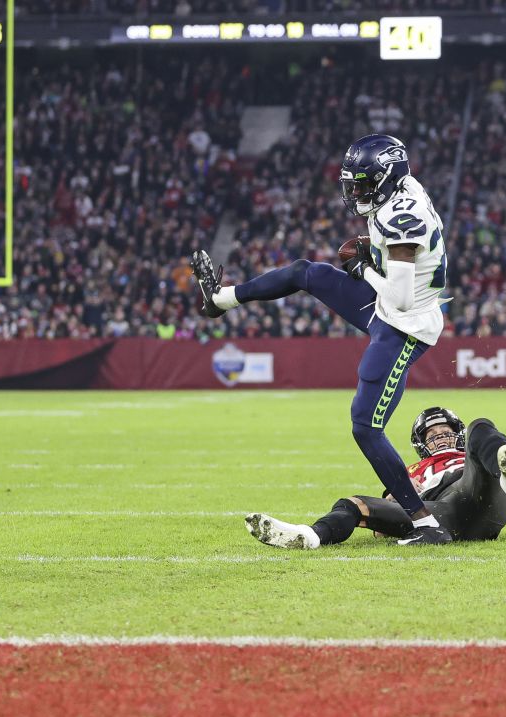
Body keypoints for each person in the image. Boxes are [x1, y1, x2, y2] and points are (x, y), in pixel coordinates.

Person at [190, 134, 452, 545]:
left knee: (365, 426)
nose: (357, 193)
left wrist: (364, 267)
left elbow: (400, 297)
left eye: (364, 184)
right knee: (305, 272)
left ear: (387, 179)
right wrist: (372, 257)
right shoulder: (403, 191)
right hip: (390, 309)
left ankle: (425, 524)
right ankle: (221, 299)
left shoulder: (402, 216)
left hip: (405, 326)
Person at [245, 407, 506, 549]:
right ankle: (309, 536)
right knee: (352, 504)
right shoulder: (408, 471)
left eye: (447, 432)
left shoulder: (471, 456)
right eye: (433, 435)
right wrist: (397, 495)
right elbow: (382, 531)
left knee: (481, 425)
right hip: (435, 514)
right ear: (421, 444)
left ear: (458, 436)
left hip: (474, 492)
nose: (440, 438)